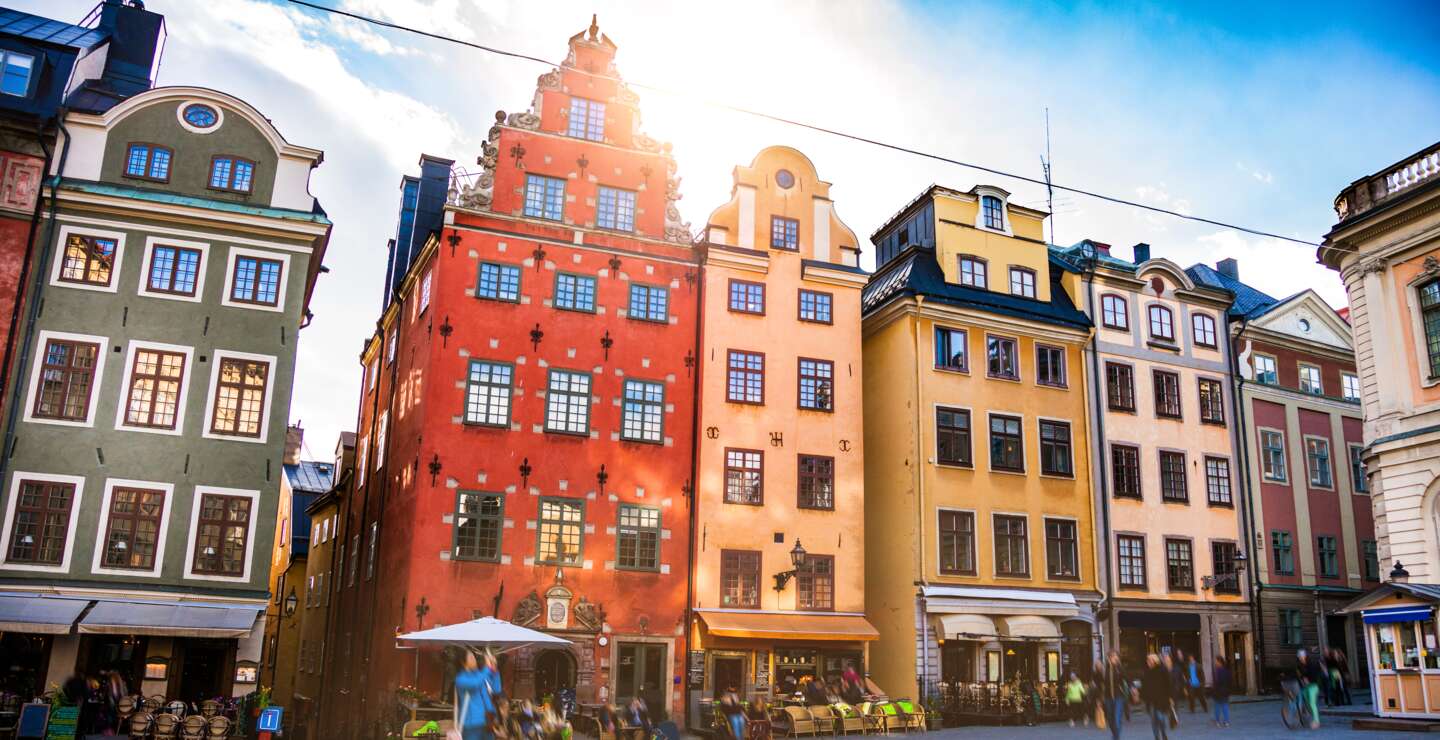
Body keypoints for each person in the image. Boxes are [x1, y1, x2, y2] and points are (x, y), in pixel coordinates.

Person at [456, 650, 503, 740]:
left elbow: (496, 690)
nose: (474, 660)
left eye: (474, 657)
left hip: (488, 721)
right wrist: (488, 668)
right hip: (472, 724)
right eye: (471, 657)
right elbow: (475, 683)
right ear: (463, 662)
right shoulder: (461, 678)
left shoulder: (481, 674)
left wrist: (495, 670)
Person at [1141, 654, 1172, 740]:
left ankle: (1163, 732)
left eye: (1149, 660)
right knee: (1153, 720)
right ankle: (1156, 737)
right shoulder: (1146, 671)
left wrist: (1170, 697)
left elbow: (1168, 684)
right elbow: (1144, 686)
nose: (1148, 662)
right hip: (1150, 700)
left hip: (1161, 700)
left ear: (1154, 661)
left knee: (1160, 717)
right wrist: (1143, 697)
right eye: (1147, 660)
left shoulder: (1162, 670)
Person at [1101, 652, 1127, 740]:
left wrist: (1133, 688)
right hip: (1108, 697)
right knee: (1110, 719)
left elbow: (1127, 679)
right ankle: (1115, 735)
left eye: (1116, 657)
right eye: (1112, 657)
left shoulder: (1120, 668)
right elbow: (1102, 683)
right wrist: (1100, 697)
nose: (1115, 658)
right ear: (1109, 658)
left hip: (1119, 696)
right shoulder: (1105, 669)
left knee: (1116, 719)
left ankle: (1116, 738)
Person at [1297, 650, 1322, 729]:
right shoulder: (1300, 666)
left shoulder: (1311, 664)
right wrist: (1302, 679)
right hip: (1305, 687)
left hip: (1313, 686)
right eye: (1299, 657)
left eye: (1302, 656)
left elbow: (1315, 675)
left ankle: (1317, 721)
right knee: (1308, 704)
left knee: (1312, 702)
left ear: (1305, 656)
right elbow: (1299, 675)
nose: (1301, 658)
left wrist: (1308, 680)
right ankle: (1314, 716)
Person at [1210, 656, 1231, 728]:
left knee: (1217, 706)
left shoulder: (1217, 671)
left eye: (1216, 661)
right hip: (1225, 691)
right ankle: (1226, 721)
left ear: (1219, 662)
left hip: (1218, 691)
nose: (1215, 663)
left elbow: (1217, 682)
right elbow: (1230, 681)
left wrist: (1213, 689)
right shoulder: (1227, 670)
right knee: (1225, 706)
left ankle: (1217, 721)